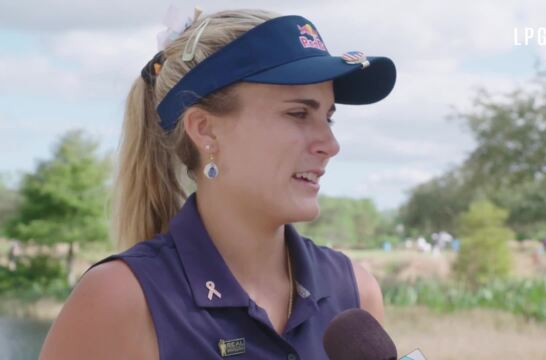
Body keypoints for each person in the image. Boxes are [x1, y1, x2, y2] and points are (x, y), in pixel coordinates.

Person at [39, 7, 396, 360]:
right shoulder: (119, 299)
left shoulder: (355, 291)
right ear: (205, 129)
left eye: (328, 117)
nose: (330, 145)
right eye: (298, 113)